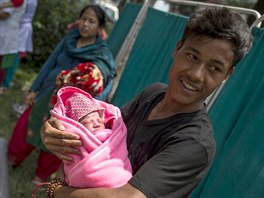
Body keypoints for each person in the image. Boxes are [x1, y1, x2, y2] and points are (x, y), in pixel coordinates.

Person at [41, 6, 252, 198]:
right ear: (177, 48)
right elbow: (101, 138)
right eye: (192, 56)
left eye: (214, 68)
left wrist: (56, 190)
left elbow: (127, 197)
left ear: (227, 75)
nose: (196, 74)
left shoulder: (194, 144)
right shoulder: (152, 94)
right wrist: (55, 133)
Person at [8, 4, 116, 184]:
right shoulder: (69, 40)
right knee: (27, 125)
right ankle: (12, 159)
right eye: (83, 19)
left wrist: (90, 110)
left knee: (57, 138)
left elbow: (104, 81)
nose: (85, 24)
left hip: (69, 105)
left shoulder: (101, 54)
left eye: (91, 21)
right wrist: (34, 89)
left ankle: (40, 176)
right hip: (46, 92)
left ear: (100, 28)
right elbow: (50, 64)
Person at [50, 86, 132, 188]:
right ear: (78, 127)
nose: (96, 124)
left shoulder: (112, 134)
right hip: (87, 175)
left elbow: (119, 148)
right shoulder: (76, 138)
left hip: (118, 172)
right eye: (87, 122)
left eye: (99, 121)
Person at [0, 0, 26, 94]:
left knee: (6, 59)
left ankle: (4, 84)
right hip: (6, 31)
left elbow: (5, 14)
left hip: (7, 31)